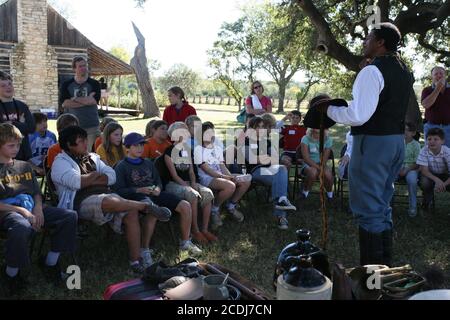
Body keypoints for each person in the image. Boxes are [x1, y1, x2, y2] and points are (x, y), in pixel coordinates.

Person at [321, 23, 414, 266]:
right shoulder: (404, 70)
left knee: (368, 209)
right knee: (382, 206)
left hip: (372, 144)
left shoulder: (372, 71)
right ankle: (385, 271)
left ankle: (372, 281)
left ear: (380, 42)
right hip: (396, 143)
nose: (364, 42)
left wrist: (328, 110)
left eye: (368, 38)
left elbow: (358, 115)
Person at [51, 126, 170, 273]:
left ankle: (135, 261)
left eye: (85, 140)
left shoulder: (92, 157)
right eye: (81, 141)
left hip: (106, 195)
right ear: (69, 145)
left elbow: (112, 176)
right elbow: (76, 183)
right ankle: (145, 206)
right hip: (79, 201)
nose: (85, 144)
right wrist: (97, 176)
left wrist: (90, 179)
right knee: (109, 201)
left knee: (130, 212)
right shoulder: (60, 163)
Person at [0, 123, 77, 296]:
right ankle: (11, 274)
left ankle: (50, 263)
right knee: (21, 227)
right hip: (7, 210)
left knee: (69, 216)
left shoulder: (24, 166)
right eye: (10, 145)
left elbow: (36, 193)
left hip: (30, 207)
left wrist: (39, 209)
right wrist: (23, 212)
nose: (15, 149)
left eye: (18, 145)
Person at [114, 132, 184, 267]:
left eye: (142, 144)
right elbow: (119, 190)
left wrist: (158, 188)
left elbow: (158, 181)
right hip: (138, 198)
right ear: (127, 148)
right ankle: (144, 250)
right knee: (153, 212)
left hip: (155, 194)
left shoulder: (148, 163)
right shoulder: (121, 166)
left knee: (184, 205)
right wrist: (138, 190)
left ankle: (186, 242)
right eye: (136, 145)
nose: (140, 148)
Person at [158, 122, 216, 244]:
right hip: (173, 184)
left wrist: (193, 183)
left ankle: (204, 229)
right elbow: (174, 175)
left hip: (189, 182)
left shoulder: (187, 150)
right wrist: (188, 187)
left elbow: (191, 171)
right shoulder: (168, 152)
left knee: (208, 193)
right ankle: (195, 231)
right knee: (192, 195)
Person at [244, 116, 296, 230]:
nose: (261, 129)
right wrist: (267, 157)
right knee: (280, 176)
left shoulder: (266, 141)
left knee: (282, 169)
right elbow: (252, 159)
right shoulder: (245, 140)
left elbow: (275, 158)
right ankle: (281, 216)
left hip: (270, 170)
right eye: (258, 127)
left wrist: (265, 158)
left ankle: (281, 202)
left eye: (262, 126)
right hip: (256, 171)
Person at [195, 122, 251, 225]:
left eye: (212, 132)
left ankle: (231, 206)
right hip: (207, 178)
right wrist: (226, 178)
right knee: (230, 186)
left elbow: (222, 166)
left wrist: (230, 176)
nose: (211, 135)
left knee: (246, 180)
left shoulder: (216, 148)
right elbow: (207, 170)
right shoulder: (198, 150)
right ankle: (214, 209)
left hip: (221, 176)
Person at [60, 56, 101, 152]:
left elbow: (94, 101)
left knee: (90, 154)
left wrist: (74, 99)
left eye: (84, 65)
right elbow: (65, 104)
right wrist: (86, 101)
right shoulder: (67, 84)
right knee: (74, 153)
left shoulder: (94, 83)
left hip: (92, 126)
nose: (83, 68)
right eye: (80, 66)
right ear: (74, 68)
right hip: (72, 127)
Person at [0, 71, 35, 161]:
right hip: (3, 157)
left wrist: (11, 123)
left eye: (10, 84)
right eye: (3, 85)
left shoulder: (22, 106)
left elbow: (31, 128)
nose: (8, 87)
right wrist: (21, 124)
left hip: (24, 153)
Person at [416, 128, 450, 211]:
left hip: (445, 175)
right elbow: (424, 170)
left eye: (436, 139)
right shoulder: (424, 150)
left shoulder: (448, 152)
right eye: (429, 139)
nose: (432, 141)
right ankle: (427, 201)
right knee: (424, 183)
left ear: (442, 141)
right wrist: (437, 180)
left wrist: (443, 184)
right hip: (430, 174)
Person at [300, 127, 334, 201]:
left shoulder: (328, 139)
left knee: (328, 175)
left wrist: (321, 167)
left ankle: (330, 194)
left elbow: (325, 158)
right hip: (308, 164)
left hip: (322, 164)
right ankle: (305, 192)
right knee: (313, 172)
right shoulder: (305, 138)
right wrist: (318, 168)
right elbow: (306, 158)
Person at [421, 66, 450, 148]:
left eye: (441, 73)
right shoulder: (427, 90)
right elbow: (426, 105)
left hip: (449, 127)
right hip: (431, 128)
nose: (439, 76)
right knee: (431, 155)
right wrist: (438, 88)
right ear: (432, 77)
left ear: (445, 75)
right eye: (436, 74)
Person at [398, 122, 421, 217]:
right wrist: (398, 168)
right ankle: (387, 205)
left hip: (411, 168)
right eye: (403, 130)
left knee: (412, 180)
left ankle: (413, 206)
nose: (405, 132)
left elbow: (417, 162)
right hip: (397, 167)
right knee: (388, 178)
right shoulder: (398, 143)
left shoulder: (416, 145)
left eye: (408, 130)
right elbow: (393, 158)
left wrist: (407, 169)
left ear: (413, 133)